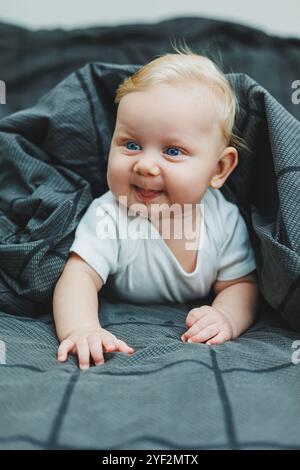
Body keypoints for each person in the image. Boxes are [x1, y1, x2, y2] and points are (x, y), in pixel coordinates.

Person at [53, 46, 258, 370]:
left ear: (219, 169)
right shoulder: (109, 214)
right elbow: (78, 277)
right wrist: (82, 328)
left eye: (173, 151)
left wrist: (225, 316)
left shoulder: (224, 220)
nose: (146, 165)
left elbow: (239, 284)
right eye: (131, 145)